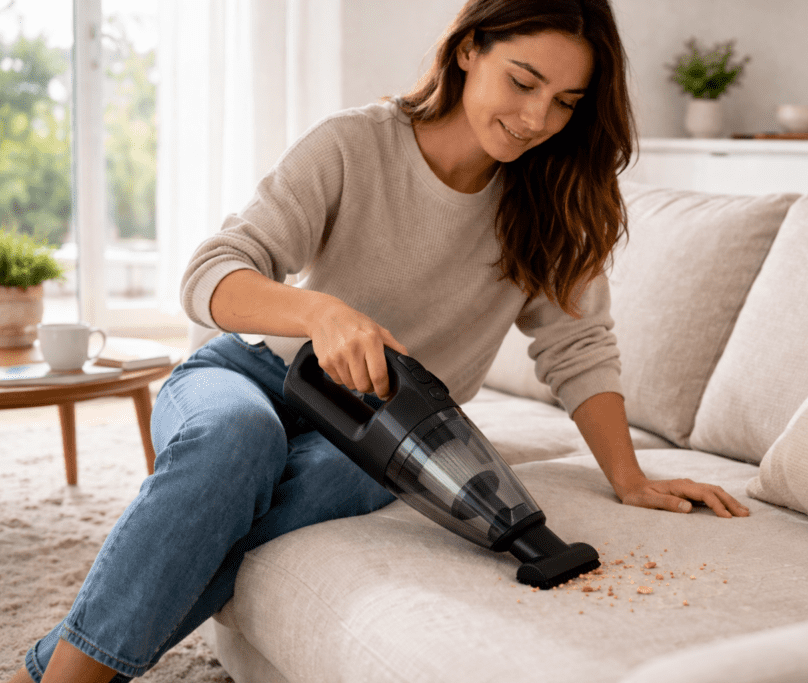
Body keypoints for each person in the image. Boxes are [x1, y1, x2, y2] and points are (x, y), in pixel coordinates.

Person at [8, 1, 749, 681]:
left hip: (387, 431)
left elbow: (578, 348)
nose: (536, 118)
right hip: (252, 371)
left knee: (330, 482)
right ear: (468, 51)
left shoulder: (552, 200)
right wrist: (319, 312)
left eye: (564, 103)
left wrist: (629, 476)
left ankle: (55, 665)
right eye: (522, 82)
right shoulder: (355, 145)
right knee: (237, 441)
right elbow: (212, 272)